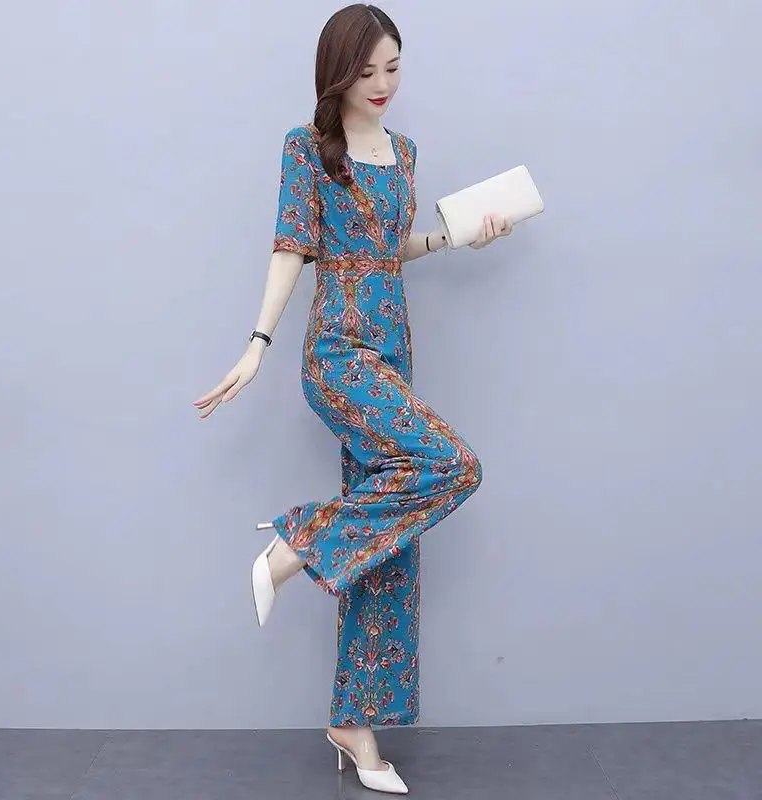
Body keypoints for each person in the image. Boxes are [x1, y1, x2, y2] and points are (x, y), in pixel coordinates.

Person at [194, 3, 511, 793]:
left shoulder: (404, 151)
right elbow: (292, 246)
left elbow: (389, 247)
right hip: (338, 350)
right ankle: (297, 542)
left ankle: (354, 727)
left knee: (389, 543)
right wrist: (257, 344)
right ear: (335, 72)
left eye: (393, 68)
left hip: (394, 350)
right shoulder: (306, 146)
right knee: (453, 466)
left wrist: (456, 237)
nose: (382, 84)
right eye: (366, 71)